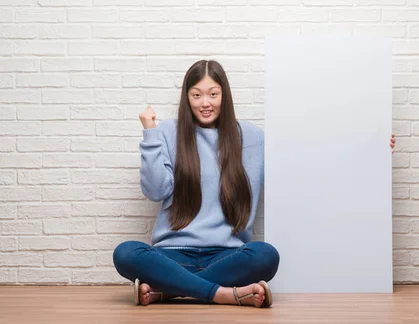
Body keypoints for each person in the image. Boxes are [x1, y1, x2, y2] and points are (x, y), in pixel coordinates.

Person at [112, 59, 397, 308]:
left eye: (213, 94)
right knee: (126, 253)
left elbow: (309, 154)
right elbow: (155, 190)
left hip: (226, 257)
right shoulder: (166, 132)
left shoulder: (250, 137)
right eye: (196, 95)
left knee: (265, 256)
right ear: (187, 97)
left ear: (225, 96)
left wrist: (371, 148)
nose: (205, 103)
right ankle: (223, 295)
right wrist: (149, 134)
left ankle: (168, 291)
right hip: (171, 256)